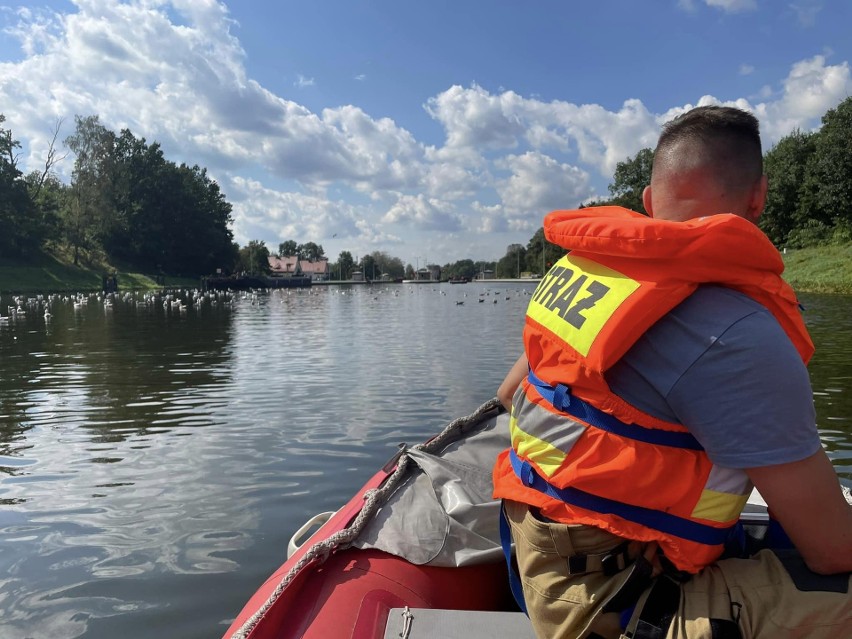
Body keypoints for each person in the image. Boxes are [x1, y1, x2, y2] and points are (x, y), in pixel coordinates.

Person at [492, 105, 852, 639]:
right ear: (759, 196)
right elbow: (832, 551)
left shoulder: (589, 276)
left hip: (531, 560)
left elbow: (507, 396)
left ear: (646, 201)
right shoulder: (741, 332)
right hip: (616, 605)